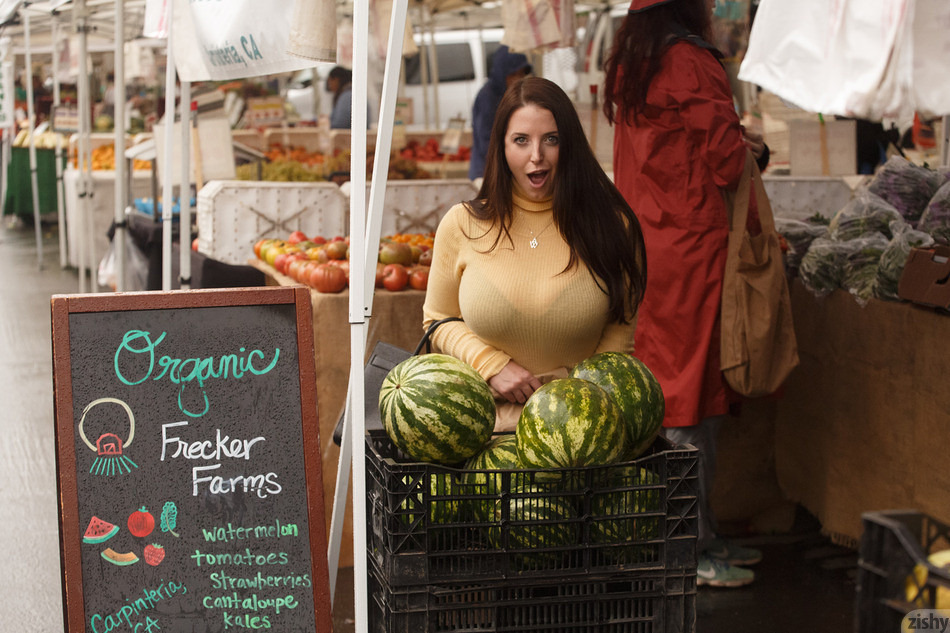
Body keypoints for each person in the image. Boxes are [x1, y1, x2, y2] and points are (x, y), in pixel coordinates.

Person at [603, 0, 769, 588]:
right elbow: (727, 162)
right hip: (694, 249)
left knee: (672, 391)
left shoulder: (630, 61)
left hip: (648, 246)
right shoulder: (692, 61)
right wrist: (755, 153)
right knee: (688, 398)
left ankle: (699, 533)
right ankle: (687, 548)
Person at [424, 77, 647, 430]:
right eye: (521, 140)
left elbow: (618, 339)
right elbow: (437, 318)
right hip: (480, 429)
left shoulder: (613, 228)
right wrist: (490, 364)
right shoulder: (462, 224)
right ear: (501, 146)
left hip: (580, 431)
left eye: (551, 140)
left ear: (570, 144)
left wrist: (572, 411)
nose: (536, 156)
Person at [468, 46, 532, 181]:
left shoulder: (511, 95)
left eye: (521, 74)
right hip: (487, 171)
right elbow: (487, 139)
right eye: (513, 74)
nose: (518, 79)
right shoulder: (489, 97)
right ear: (502, 72)